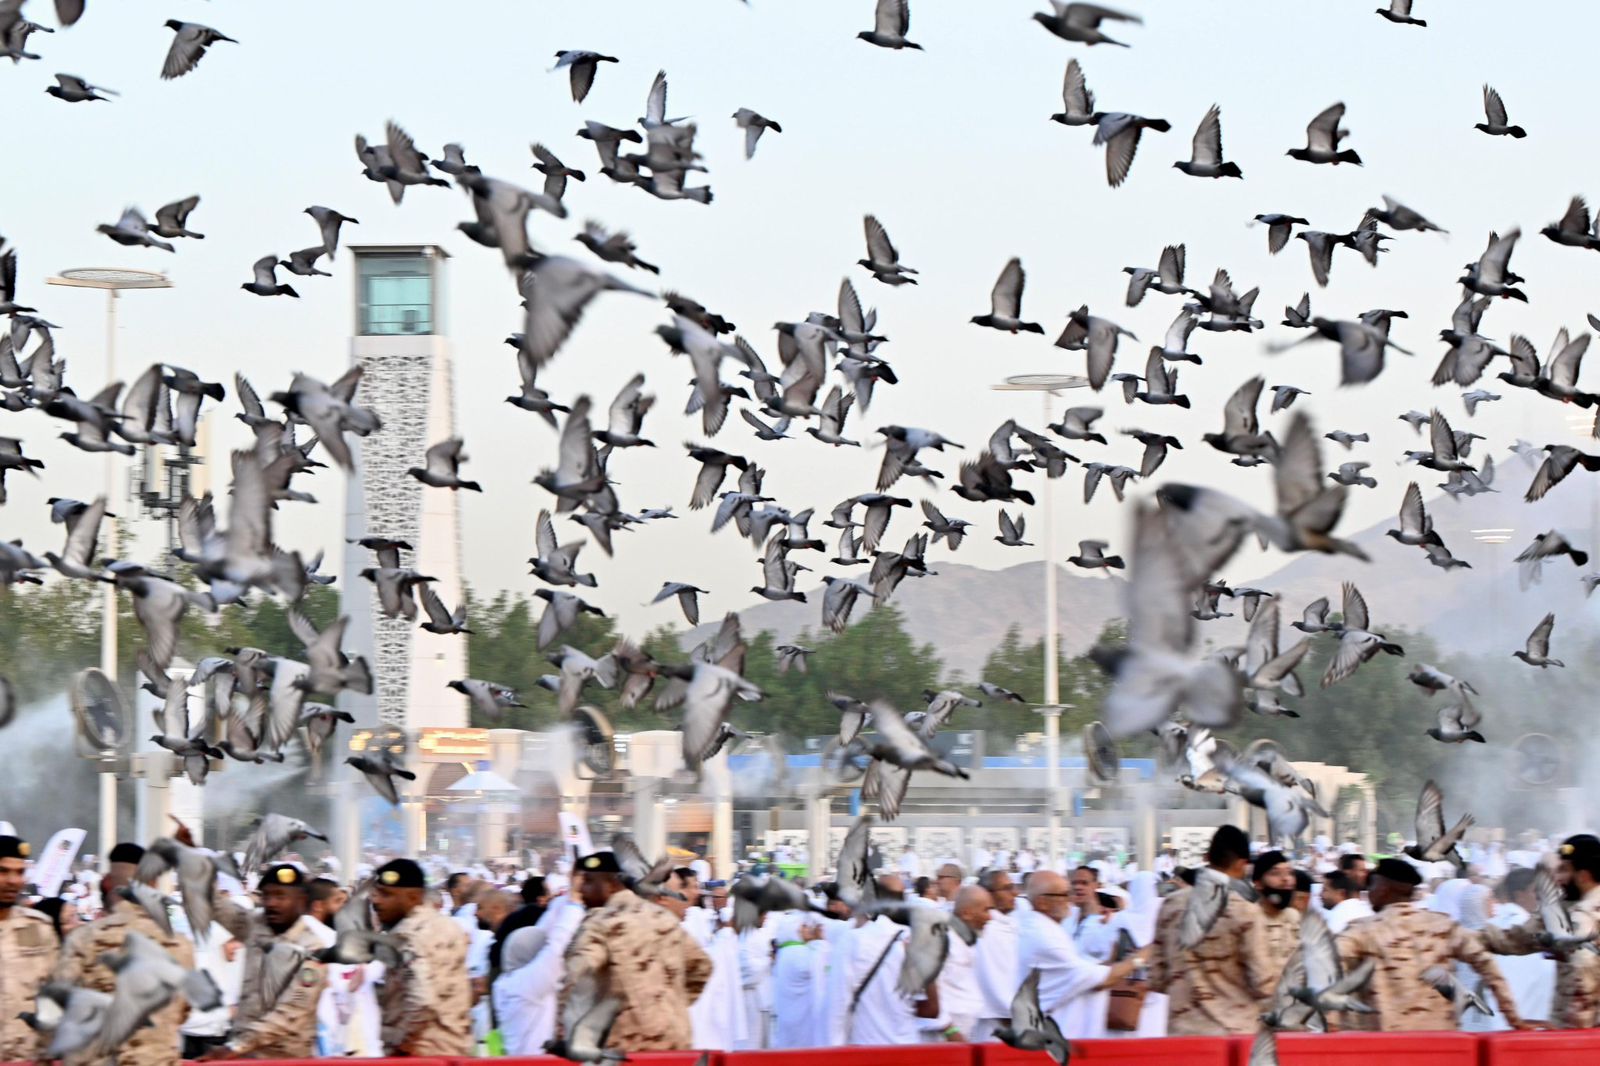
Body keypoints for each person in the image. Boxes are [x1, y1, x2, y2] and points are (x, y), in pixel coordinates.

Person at [1337, 857, 1527, 1031]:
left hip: (1385, 1046)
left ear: (1383, 888)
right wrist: (1513, 1018)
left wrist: (1332, 1025)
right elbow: (1488, 965)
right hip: (1439, 1045)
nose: (1368, 892)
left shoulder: (1362, 932)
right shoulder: (1443, 926)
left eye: (1372, 885)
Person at [560, 850, 712, 1052]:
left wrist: (565, 1037)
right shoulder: (662, 916)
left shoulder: (599, 924)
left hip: (626, 1047)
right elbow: (702, 967)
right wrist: (668, 1006)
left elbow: (574, 978)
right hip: (675, 1048)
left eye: (588, 881)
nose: (582, 891)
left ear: (612, 884)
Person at [54, 866, 197, 1065]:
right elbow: (183, 1010)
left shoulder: (83, 939)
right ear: (153, 885)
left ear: (110, 886)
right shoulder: (179, 945)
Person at [1146, 825, 1273, 1035]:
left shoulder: (1170, 905)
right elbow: (1264, 984)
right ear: (1242, 864)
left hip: (1183, 1035)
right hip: (1235, 1037)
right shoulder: (1246, 913)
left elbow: (1156, 978)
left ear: (1208, 857)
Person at [200, 864, 329, 1060]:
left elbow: (291, 1011)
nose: (271, 903)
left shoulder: (313, 949)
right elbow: (216, 906)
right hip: (243, 1054)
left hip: (283, 1058)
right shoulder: (255, 924)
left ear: (301, 901)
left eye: (280, 896)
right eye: (266, 896)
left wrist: (236, 1046)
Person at [1479, 834, 1600, 1028]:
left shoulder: (1582, 915)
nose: (1557, 878)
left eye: (1564, 870)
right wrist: (1465, 938)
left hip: (1581, 1035)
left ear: (1583, 875)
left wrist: (1576, 1032)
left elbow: (1582, 976)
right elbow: (1514, 940)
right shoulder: (1559, 910)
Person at [1019, 871, 1144, 1039]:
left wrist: (1110, 960)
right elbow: (1100, 980)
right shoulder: (1044, 937)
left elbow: (1083, 965)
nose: (1069, 899)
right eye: (1063, 895)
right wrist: (1141, 957)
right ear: (1042, 903)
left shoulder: (1048, 928)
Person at [370, 858, 473, 1056]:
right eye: (376, 893)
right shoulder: (449, 926)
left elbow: (421, 1001)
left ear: (413, 897)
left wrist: (401, 1046)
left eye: (386, 895)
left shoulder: (406, 937)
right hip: (455, 1051)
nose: (376, 901)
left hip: (420, 1055)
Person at [492, 879, 586, 1056]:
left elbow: (544, 931)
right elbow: (557, 947)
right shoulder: (525, 986)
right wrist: (574, 904)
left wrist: (567, 897)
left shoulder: (509, 982)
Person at [0, 836, 57, 1061]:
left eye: (20, 872)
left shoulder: (39, 929)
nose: (13, 881)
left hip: (29, 1058)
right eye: (3, 871)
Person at [936, 886, 992, 1039]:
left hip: (968, 1030)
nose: (990, 917)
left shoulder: (968, 938)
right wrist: (950, 1031)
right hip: (947, 1038)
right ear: (967, 913)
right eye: (985, 910)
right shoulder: (940, 939)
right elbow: (928, 991)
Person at [972, 869, 1021, 1041]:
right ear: (988, 895)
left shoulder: (1006, 925)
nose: (1014, 893)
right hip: (998, 1026)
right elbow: (998, 983)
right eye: (1007, 888)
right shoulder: (990, 930)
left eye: (1013, 887)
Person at [769, 914, 827, 1048]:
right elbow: (817, 967)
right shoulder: (798, 952)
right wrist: (820, 942)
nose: (808, 929)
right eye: (803, 926)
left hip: (789, 1015)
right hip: (801, 1019)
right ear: (793, 930)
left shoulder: (785, 951)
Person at [1253, 851, 1300, 978]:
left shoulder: (1294, 917)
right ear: (1258, 884)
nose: (1286, 879)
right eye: (1275, 873)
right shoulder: (1250, 920)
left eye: (1289, 873)